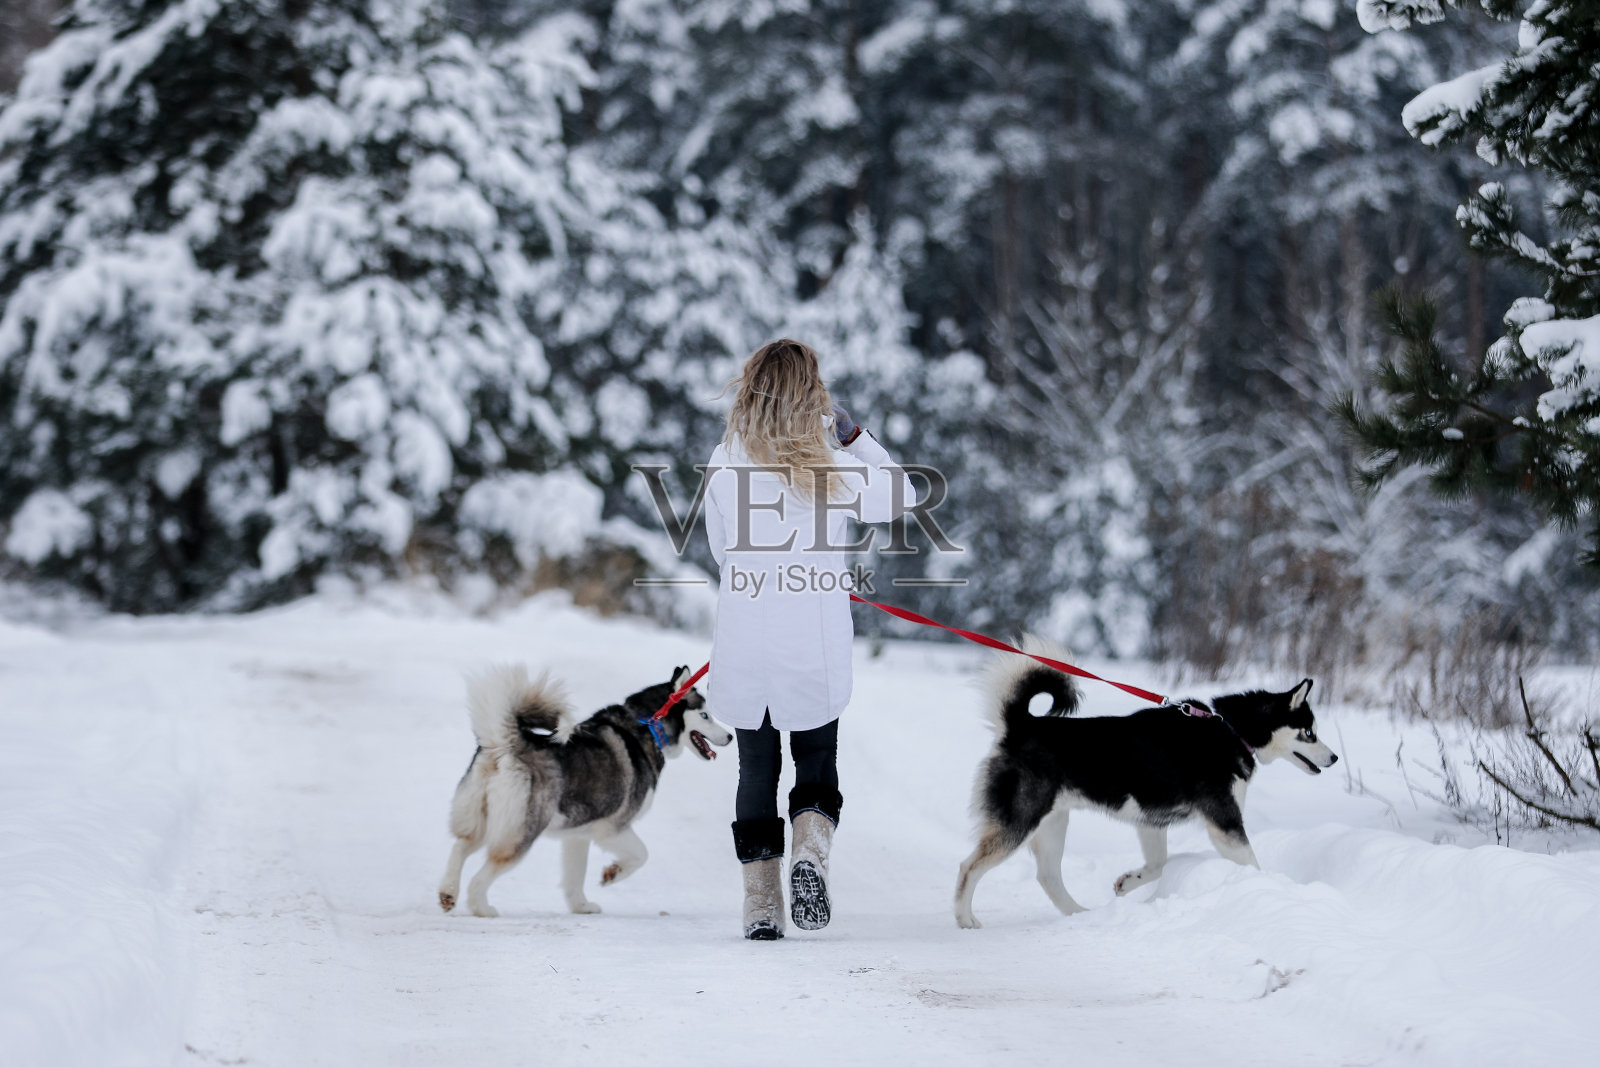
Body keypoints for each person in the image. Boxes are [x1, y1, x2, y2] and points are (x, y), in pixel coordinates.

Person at [701, 338, 916, 940]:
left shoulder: (723, 464)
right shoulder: (832, 468)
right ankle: (809, 854)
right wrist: (854, 437)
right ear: (811, 394)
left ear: (749, 389)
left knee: (755, 771)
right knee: (816, 759)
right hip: (811, 642)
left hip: (744, 640)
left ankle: (762, 906)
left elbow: (721, 553)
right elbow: (904, 495)